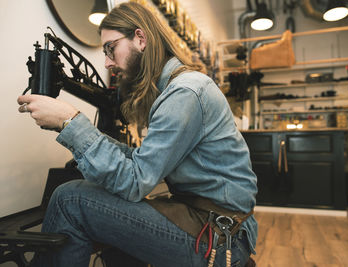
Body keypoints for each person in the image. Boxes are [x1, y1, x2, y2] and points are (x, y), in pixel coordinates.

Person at [17, 2, 258, 266]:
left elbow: (135, 182)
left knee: (69, 199)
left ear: (140, 39)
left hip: (219, 238)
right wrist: (69, 126)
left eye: (111, 48)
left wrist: (70, 122)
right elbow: (140, 162)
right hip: (212, 223)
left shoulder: (185, 92)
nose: (107, 62)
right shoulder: (179, 87)